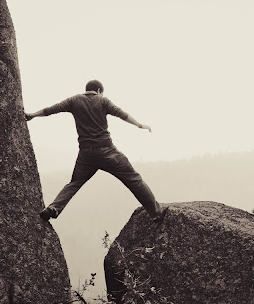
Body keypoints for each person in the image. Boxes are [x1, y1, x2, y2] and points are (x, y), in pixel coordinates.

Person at [25, 79, 168, 223]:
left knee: (74, 184)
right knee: (134, 179)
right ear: (99, 91)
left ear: (87, 89)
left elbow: (51, 110)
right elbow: (121, 114)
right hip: (108, 151)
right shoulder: (102, 101)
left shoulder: (74, 100)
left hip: (86, 154)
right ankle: (156, 213)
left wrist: (32, 115)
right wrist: (139, 125)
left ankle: (54, 208)